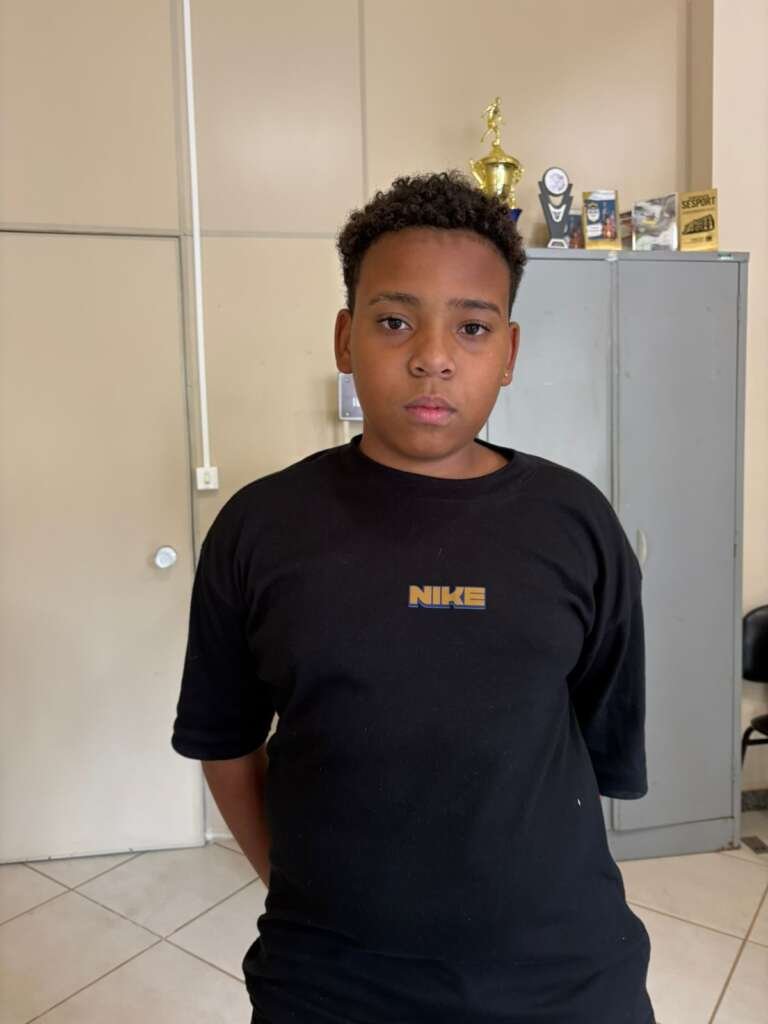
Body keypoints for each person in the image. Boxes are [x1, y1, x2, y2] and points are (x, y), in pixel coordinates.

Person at [171, 170, 656, 1024]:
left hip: (564, 979)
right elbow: (226, 742)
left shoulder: (576, 523)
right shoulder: (260, 528)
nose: (433, 356)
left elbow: (594, 738)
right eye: (395, 321)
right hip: (329, 983)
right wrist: (300, 886)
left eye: (472, 327)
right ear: (344, 337)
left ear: (509, 353)